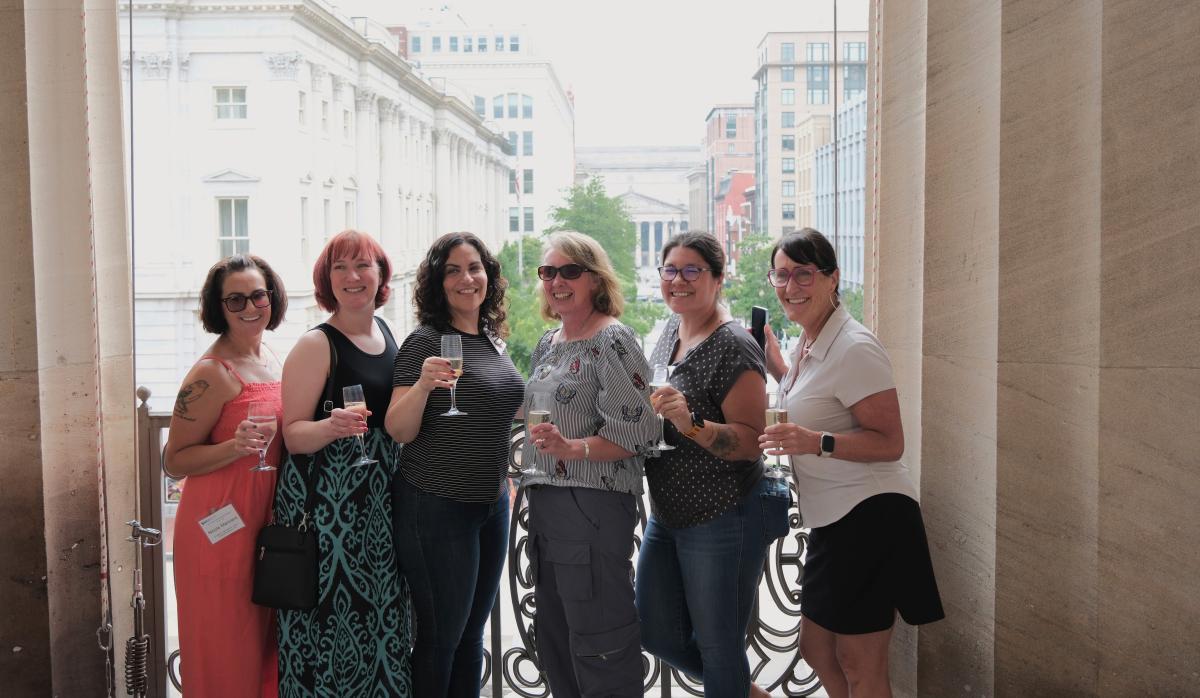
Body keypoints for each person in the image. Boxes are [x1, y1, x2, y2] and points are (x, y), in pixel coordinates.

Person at [758, 228, 944, 698]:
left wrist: (812, 441)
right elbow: (822, 399)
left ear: (832, 278)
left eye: (804, 274)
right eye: (781, 275)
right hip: (836, 521)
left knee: (859, 662)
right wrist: (780, 370)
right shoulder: (811, 340)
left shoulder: (855, 347)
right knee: (817, 649)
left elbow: (890, 442)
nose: (790, 286)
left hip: (871, 514)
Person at [637, 231, 789, 698]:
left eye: (692, 271)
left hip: (724, 513)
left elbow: (749, 443)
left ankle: (732, 685)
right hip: (669, 513)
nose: (678, 280)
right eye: (670, 270)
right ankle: (742, 690)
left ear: (718, 279)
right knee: (654, 630)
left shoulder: (736, 345)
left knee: (721, 647)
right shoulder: (669, 332)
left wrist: (690, 422)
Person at [385, 232, 524, 697]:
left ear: (488, 276)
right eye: (453, 270)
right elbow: (399, 430)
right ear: (437, 283)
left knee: (470, 637)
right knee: (440, 639)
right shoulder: (425, 341)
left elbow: (497, 408)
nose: (467, 279)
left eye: (475, 268)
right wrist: (423, 386)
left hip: (490, 504)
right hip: (436, 505)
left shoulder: (491, 337)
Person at [522, 231, 659, 698]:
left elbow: (640, 432)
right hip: (545, 511)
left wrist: (573, 448)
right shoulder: (548, 341)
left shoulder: (612, 340)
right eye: (548, 273)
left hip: (592, 509)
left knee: (601, 644)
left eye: (569, 272)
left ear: (595, 279)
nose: (557, 281)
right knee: (557, 644)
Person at [275, 230, 412, 696]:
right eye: (340, 268)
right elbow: (293, 436)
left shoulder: (388, 332)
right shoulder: (316, 345)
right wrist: (330, 428)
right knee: (331, 625)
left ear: (381, 275)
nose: (353, 277)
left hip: (380, 507)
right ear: (326, 280)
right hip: (330, 514)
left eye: (363, 266)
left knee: (381, 618)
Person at [165, 254, 287, 698]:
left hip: (264, 522)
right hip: (218, 529)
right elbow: (174, 460)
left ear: (271, 297)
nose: (249, 307)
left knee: (264, 645)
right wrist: (232, 447)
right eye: (235, 300)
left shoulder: (272, 356)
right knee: (225, 647)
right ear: (219, 307)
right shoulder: (210, 373)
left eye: (257, 295)